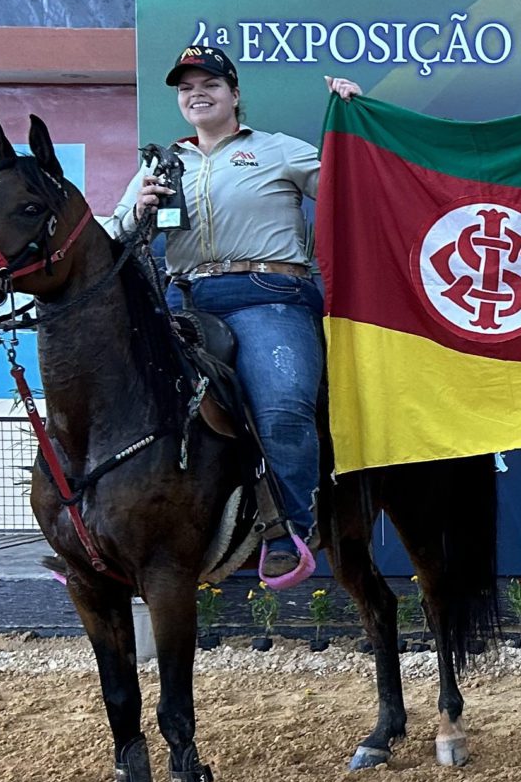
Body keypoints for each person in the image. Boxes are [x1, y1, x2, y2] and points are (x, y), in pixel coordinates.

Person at [111, 44, 362, 587]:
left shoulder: (277, 150)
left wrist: (357, 122)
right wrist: (139, 210)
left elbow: (353, 190)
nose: (196, 94)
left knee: (282, 407)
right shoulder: (159, 165)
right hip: (181, 301)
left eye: (210, 85)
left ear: (235, 94)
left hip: (269, 294)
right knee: (114, 399)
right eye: (185, 88)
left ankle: (290, 529)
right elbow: (114, 237)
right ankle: (103, 536)